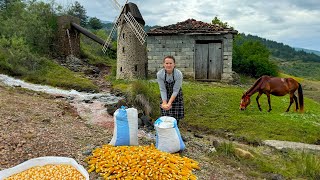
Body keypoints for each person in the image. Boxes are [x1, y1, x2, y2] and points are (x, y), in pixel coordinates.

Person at [156, 55, 184, 126]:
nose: (169, 65)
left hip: (176, 96)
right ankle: (166, 131)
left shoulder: (178, 74)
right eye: (167, 63)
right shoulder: (160, 74)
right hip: (165, 95)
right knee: (166, 115)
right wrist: (165, 103)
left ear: (174, 64)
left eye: (171, 63)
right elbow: (162, 89)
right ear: (163, 64)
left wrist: (170, 103)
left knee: (175, 117)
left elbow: (176, 90)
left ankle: (175, 130)